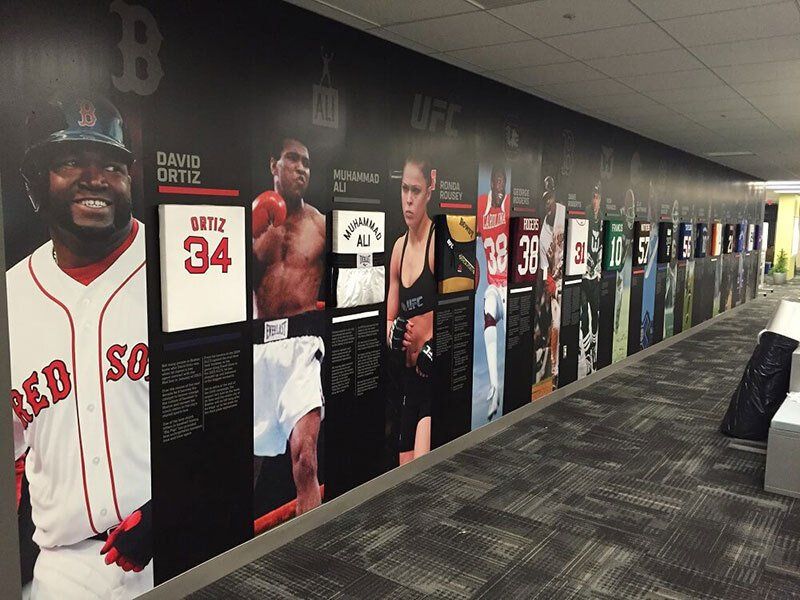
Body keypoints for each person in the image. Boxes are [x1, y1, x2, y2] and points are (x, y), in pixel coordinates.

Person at [8, 94, 153, 598]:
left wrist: (179, 505)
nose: (96, 179)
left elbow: (228, 415)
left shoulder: (178, 268)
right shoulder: (11, 297)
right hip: (62, 569)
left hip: (173, 549)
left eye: (112, 165)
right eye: (71, 162)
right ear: (36, 183)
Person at [252, 137, 325, 517]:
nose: (301, 168)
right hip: (259, 346)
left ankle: (311, 542)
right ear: (273, 164)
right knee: (247, 463)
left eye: (307, 163)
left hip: (301, 346)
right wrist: (254, 238)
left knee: (305, 458)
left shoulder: (320, 226)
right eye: (293, 159)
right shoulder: (251, 222)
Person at [386, 156, 436, 465]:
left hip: (431, 380)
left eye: (415, 191)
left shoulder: (436, 245)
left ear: (429, 191)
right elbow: (389, 320)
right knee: (404, 471)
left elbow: (460, 313)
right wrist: (392, 334)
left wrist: (435, 344)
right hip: (407, 380)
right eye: (404, 189)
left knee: (420, 468)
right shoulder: (397, 249)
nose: (408, 199)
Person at [476, 166, 509, 419]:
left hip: (513, 285)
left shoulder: (509, 205)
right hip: (494, 285)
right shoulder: (481, 207)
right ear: (491, 184)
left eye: (503, 183)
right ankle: (495, 387)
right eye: (496, 182)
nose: (499, 188)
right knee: (487, 310)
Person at [539, 175, 565, 387]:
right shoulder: (542, 234)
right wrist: (550, 282)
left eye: (550, 198)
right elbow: (544, 268)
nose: (548, 203)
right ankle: (555, 369)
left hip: (571, 276)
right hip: (557, 281)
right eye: (544, 199)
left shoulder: (565, 213)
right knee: (555, 324)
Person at [579, 181, 602, 377]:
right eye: (593, 197)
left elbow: (602, 244)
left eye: (598, 197)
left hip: (595, 275)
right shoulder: (585, 214)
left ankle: (593, 348)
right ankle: (587, 355)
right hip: (583, 274)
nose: (595, 201)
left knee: (595, 313)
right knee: (583, 316)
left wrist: (598, 267)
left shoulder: (601, 218)